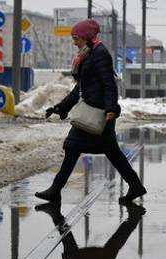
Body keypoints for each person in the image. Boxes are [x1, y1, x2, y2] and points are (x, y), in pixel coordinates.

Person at [36, 19, 146, 204]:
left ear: (87, 38)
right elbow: (79, 88)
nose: (74, 42)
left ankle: (55, 190)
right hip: (94, 112)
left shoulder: (100, 55)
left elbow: (109, 84)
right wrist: (61, 107)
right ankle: (135, 185)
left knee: (74, 146)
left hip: (99, 113)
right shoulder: (88, 55)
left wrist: (111, 108)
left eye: (77, 38)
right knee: (108, 151)